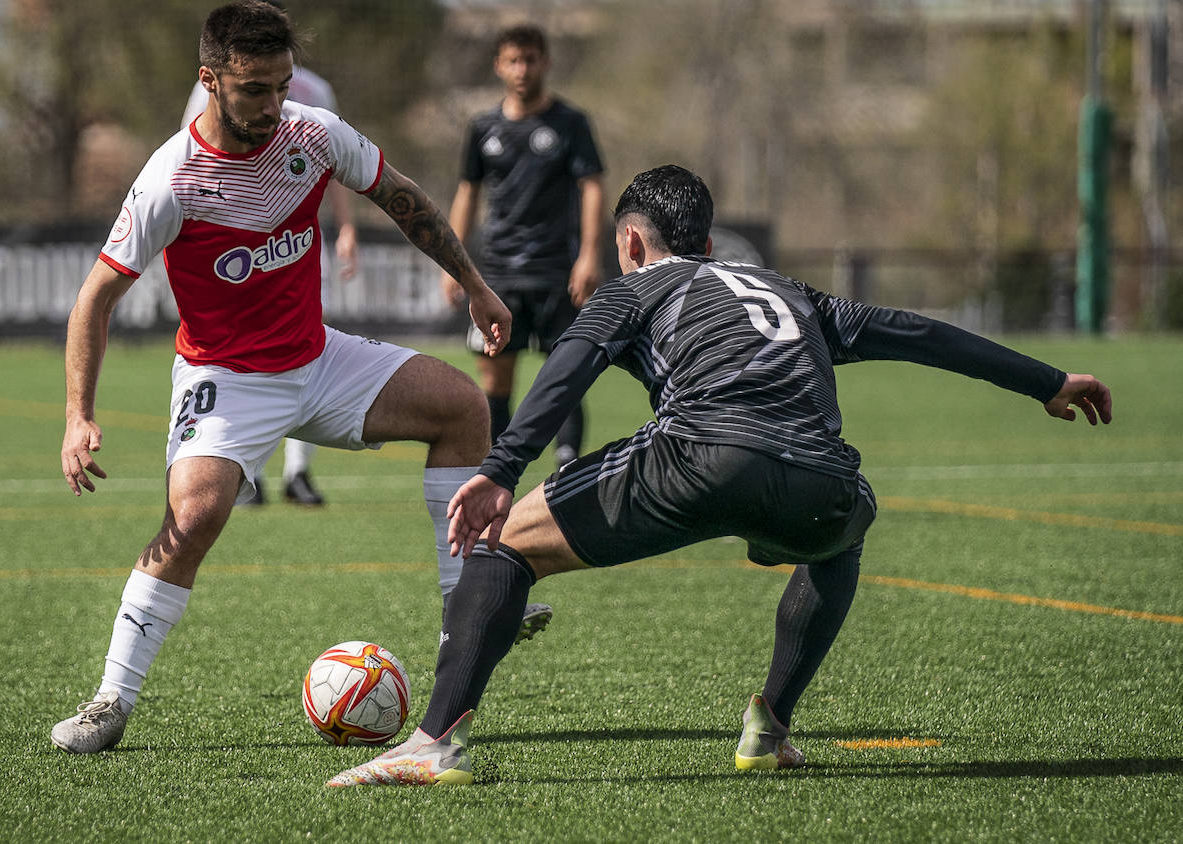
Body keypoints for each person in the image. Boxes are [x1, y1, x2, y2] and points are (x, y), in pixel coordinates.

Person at [329, 164, 1113, 786]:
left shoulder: (635, 286)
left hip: (700, 459)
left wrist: (500, 469)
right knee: (843, 538)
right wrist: (1046, 381)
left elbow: (566, 368)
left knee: (504, 543)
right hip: (822, 481)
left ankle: (432, 743)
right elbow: (918, 332)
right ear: (706, 241)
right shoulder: (788, 290)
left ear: (632, 241)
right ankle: (770, 730)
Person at [51, 0, 550, 755]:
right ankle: (110, 700)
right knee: (195, 518)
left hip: (318, 360)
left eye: (283, 86)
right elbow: (95, 299)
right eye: (255, 89)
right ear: (209, 81)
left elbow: (404, 199)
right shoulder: (171, 180)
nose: (274, 105)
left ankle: (468, 624)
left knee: (461, 407)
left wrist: (476, 285)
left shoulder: (311, 137)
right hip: (225, 377)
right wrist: (77, 415)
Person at [181, 0, 355, 507]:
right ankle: (245, 471)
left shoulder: (317, 91)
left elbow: (339, 161)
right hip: (236, 249)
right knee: (245, 354)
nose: (272, 101)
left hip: (297, 243)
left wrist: (347, 229)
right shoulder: (212, 84)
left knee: (305, 347)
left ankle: (297, 473)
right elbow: (194, 150)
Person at [443, 23, 605, 469]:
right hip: (497, 273)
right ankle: (498, 469)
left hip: (557, 270)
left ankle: (568, 463)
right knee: (495, 378)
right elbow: (467, 193)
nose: (522, 69)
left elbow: (592, 187)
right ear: (498, 65)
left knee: (565, 374)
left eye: (531, 59)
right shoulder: (482, 127)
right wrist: (453, 263)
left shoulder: (571, 124)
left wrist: (590, 254)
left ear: (545, 62)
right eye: (513, 60)